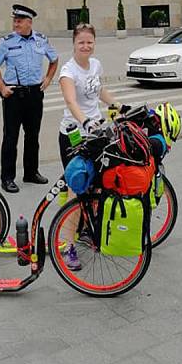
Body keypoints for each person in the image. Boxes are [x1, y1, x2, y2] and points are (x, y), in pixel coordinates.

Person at [58, 23, 123, 270]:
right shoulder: (68, 71)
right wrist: (85, 120)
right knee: (77, 190)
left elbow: (99, 91)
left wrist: (119, 105)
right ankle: (66, 245)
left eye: (89, 42)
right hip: (74, 137)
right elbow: (71, 101)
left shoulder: (95, 65)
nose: (85, 46)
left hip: (95, 136)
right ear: (74, 44)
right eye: (81, 42)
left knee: (95, 187)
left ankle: (84, 230)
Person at [0, 5, 58, 193]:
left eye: (19, 20)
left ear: (29, 22)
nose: (16, 23)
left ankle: (31, 172)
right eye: (14, 20)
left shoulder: (41, 40)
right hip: (14, 95)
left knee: (33, 136)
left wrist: (49, 78)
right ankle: (8, 178)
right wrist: (2, 87)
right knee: (11, 137)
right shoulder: (7, 42)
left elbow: (54, 59)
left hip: (35, 94)